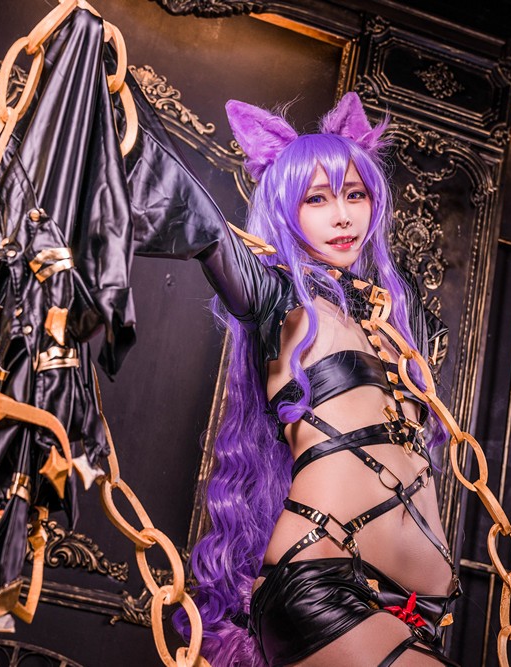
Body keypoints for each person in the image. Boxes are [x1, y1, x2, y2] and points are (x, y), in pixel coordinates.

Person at [179, 93, 460, 666]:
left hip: (419, 609)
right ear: (286, 209)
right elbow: (189, 212)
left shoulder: (394, 319)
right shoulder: (273, 296)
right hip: (322, 584)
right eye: (317, 198)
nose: (343, 216)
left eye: (355, 194)